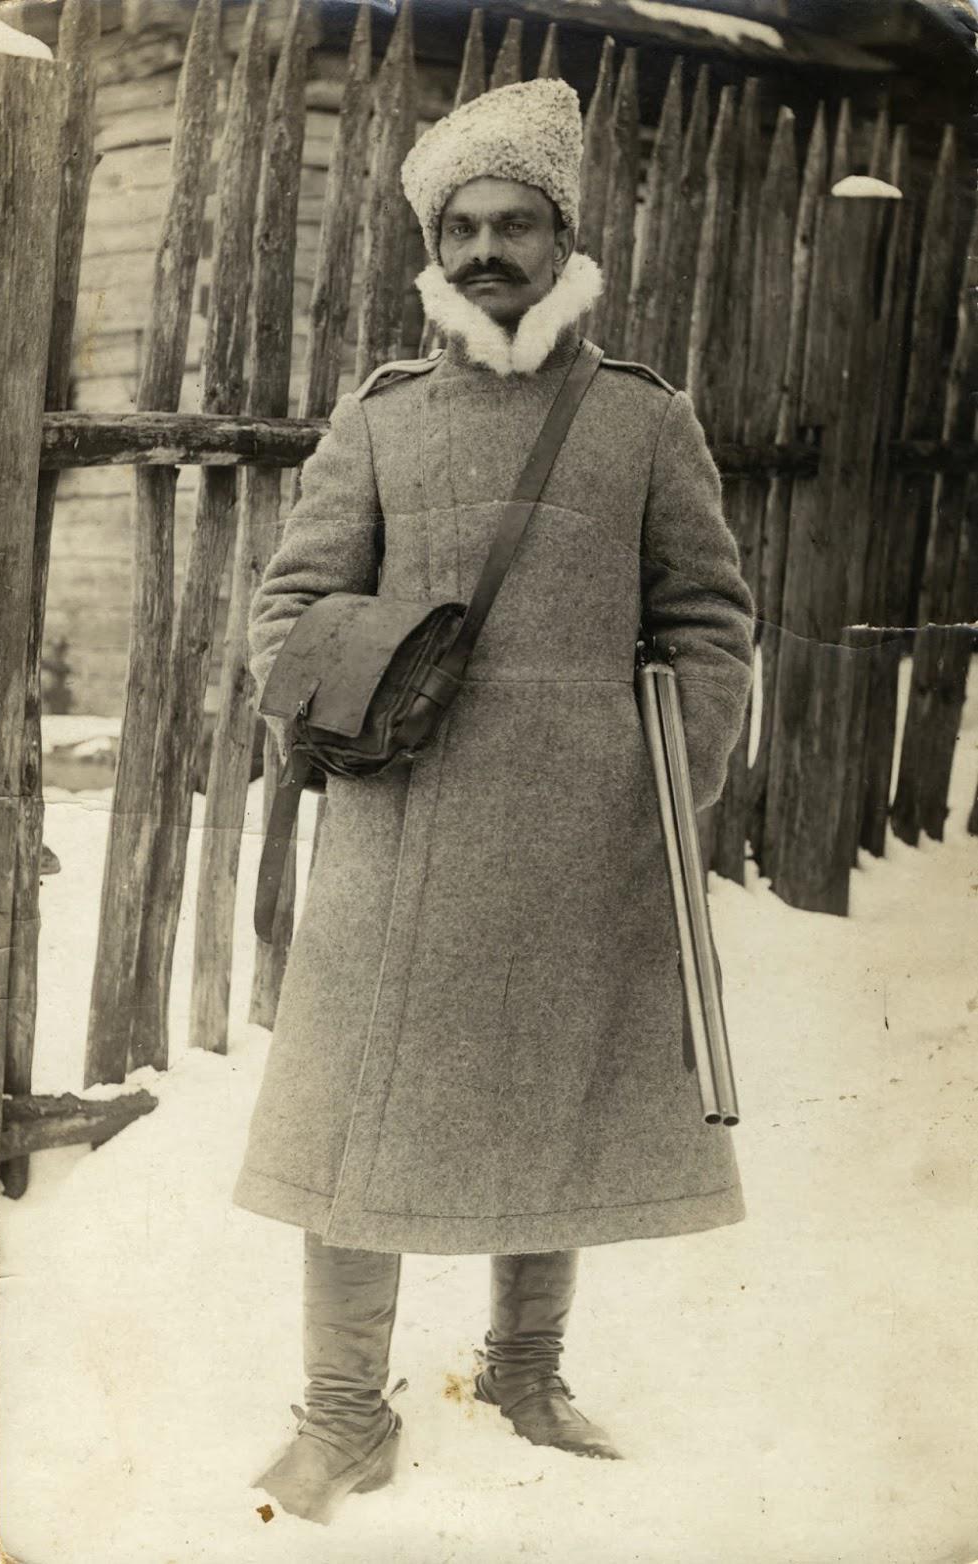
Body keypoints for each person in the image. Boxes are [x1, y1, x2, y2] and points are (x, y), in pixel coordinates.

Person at [233, 76, 756, 1524]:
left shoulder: (645, 422)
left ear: (562, 239)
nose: (484, 251)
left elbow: (708, 619)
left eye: (513, 224)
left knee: (557, 1097)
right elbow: (290, 602)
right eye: (460, 225)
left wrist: (665, 779)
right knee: (354, 1121)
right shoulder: (385, 417)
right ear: (432, 243)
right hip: (400, 824)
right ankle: (344, 1413)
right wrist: (331, 712)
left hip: (582, 837)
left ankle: (524, 1372)